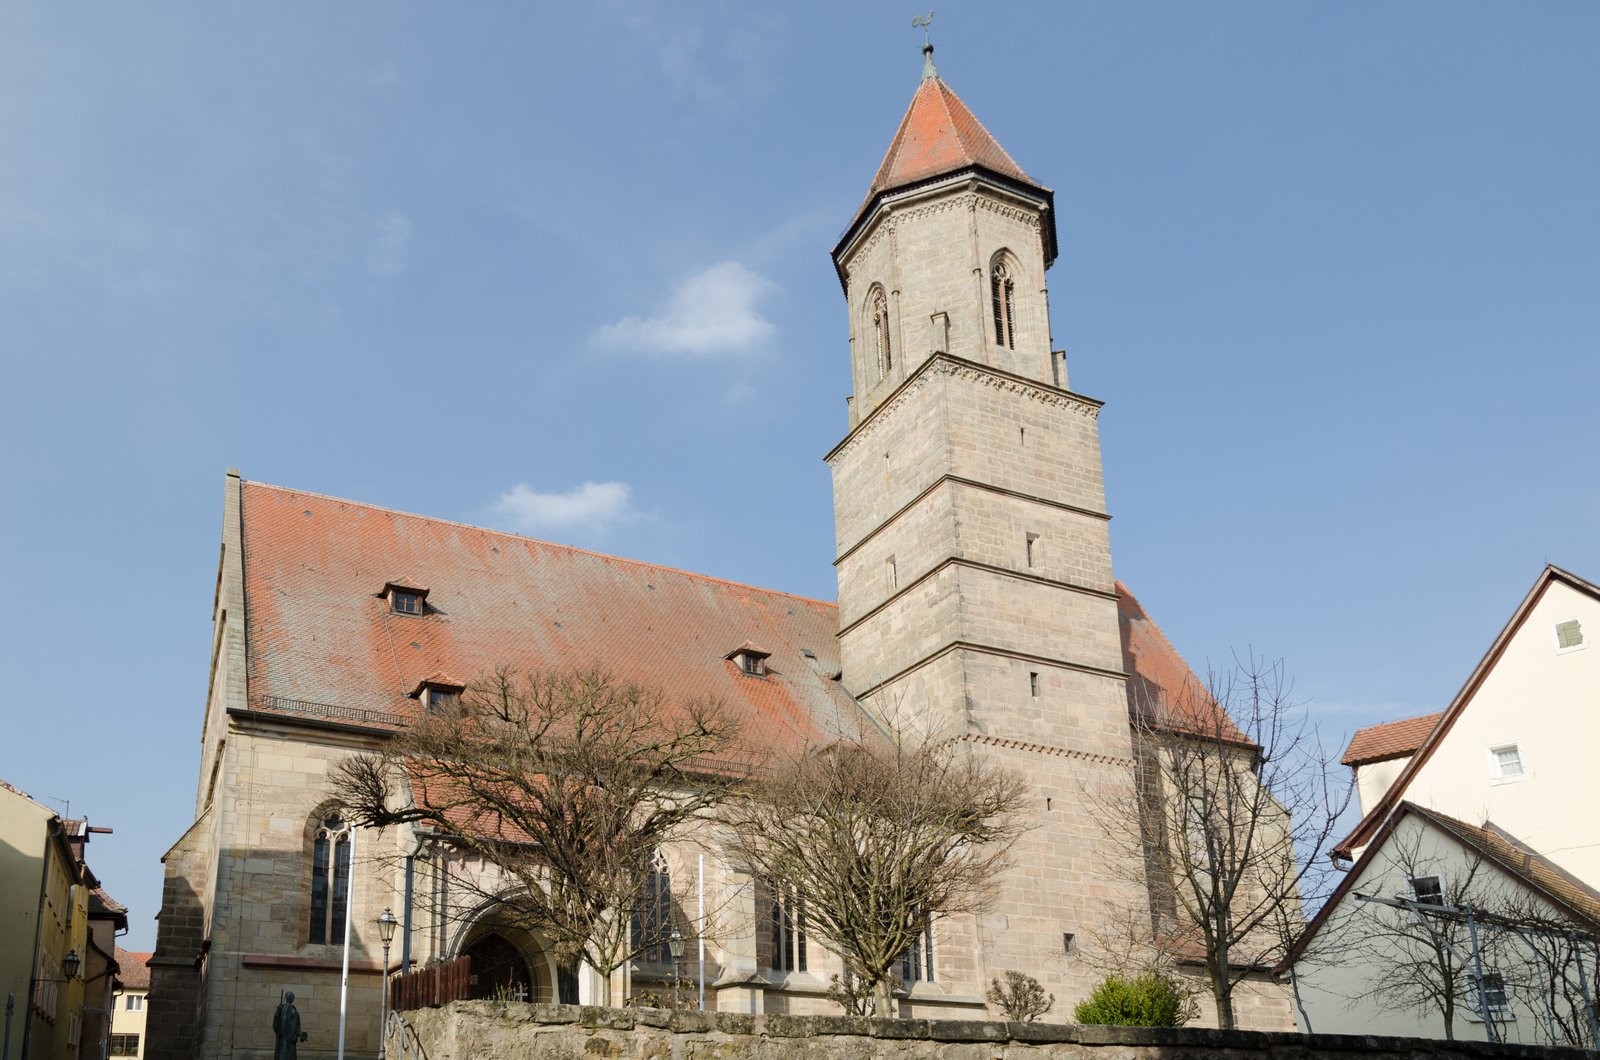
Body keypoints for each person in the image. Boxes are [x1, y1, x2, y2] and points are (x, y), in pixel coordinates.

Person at [273, 991, 307, 1060]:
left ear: (286, 998)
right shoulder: (293, 1011)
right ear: (292, 999)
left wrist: (277, 1013)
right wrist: (300, 1035)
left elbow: (275, 1025)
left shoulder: (280, 1009)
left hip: (283, 1040)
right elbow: (297, 1026)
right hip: (289, 1040)